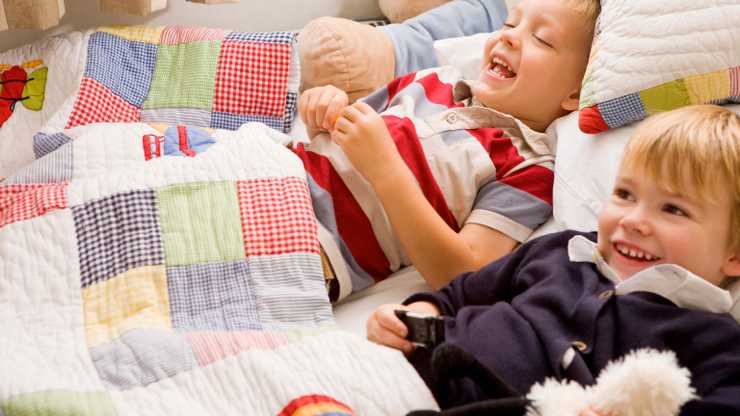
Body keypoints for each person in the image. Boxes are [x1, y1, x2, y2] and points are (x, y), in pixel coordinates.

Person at [366, 105, 740, 414]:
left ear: (735, 255)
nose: (633, 220)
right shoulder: (561, 250)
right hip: (401, 370)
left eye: (673, 209)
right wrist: (416, 315)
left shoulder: (712, 339)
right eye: (625, 193)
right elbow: (460, 293)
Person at [295, 0, 600, 299]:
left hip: (315, 243)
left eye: (542, 39)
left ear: (577, 91)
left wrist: (385, 170)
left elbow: (462, 273)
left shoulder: (529, 169)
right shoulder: (432, 79)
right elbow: (336, 140)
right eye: (510, 22)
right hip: (284, 168)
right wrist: (323, 111)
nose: (508, 34)